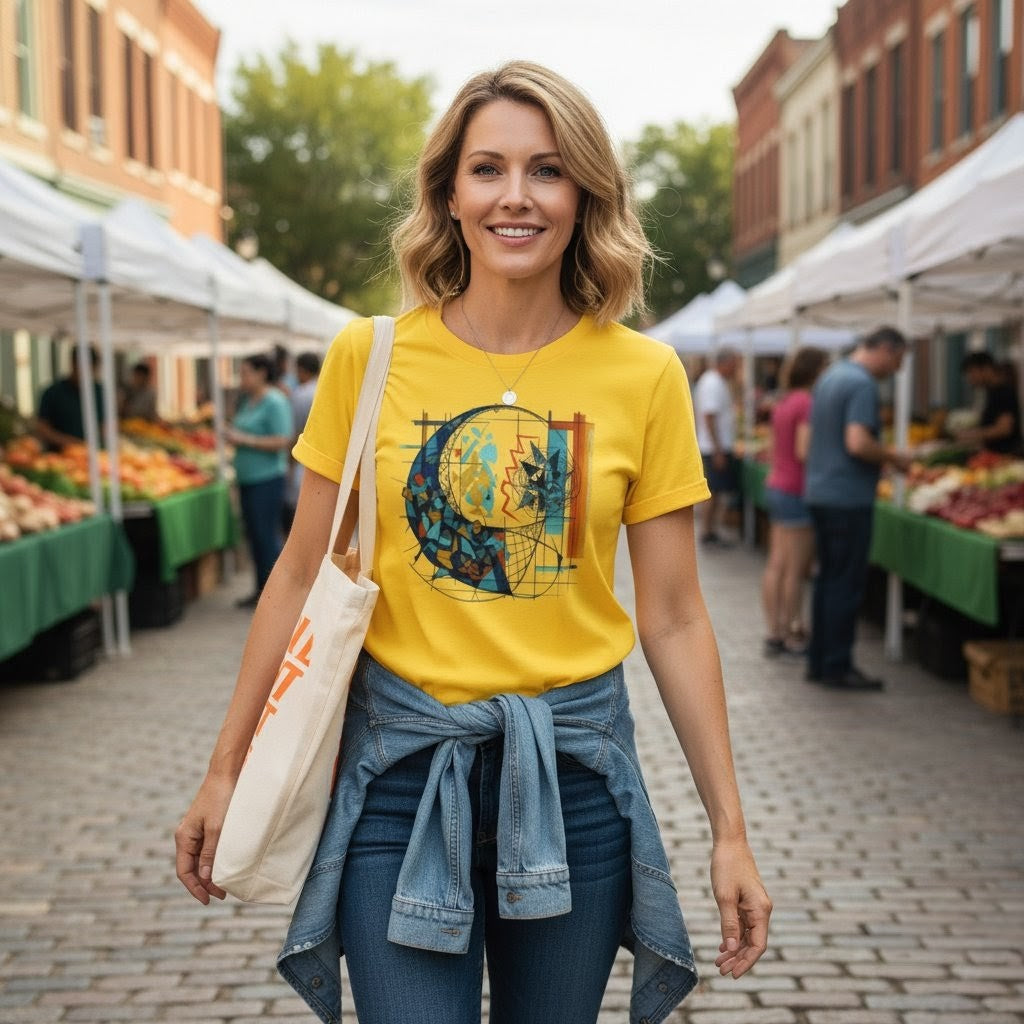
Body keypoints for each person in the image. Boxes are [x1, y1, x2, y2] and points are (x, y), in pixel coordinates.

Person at [175, 61, 770, 1024]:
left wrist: (729, 830)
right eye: (488, 168)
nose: (517, 197)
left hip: (575, 782)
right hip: (399, 772)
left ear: (585, 195)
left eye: (547, 170)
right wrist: (223, 770)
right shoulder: (368, 359)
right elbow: (296, 574)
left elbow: (673, 614)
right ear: (449, 194)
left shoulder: (645, 377)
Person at [804, 326, 911, 690]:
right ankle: (837, 665)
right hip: (847, 498)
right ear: (884, 349)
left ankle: (819, 660)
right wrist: (893, 457)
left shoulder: (832, 375)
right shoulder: (862, 384)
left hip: (821, 492)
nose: (897, 368)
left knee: (826, 580)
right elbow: (857, 442)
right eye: (898, 359)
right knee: (845, 584)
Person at [761, 346, 828, 657]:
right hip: (796, 489)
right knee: (795, 569)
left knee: (776, 563)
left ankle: (774, 630)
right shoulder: (807, 403)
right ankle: (790, 633)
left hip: (777, 484)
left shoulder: (784, 402)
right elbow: (804, 450)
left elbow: (776, 447)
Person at [225, 353, 293, 608]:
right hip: (248, 479)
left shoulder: (274, 401)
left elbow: (283, 439)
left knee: (266, 536)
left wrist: (244, 440)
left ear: (262, 372)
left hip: (267, 479)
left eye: (245, 372)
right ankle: (260, 590)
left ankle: (276, 596)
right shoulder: (247, 401)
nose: (241, 378)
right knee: (254, 536)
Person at [693, 347, 741, 545]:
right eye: (735, 364)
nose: (737, 368)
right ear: (726, 362)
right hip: (714, 448)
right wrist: (718, 449)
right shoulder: (713, 382)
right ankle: (707, 530)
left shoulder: (715, 381)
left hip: (715, 446)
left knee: (716, 491)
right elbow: (709, 416)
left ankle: (710, 530)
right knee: (713, 491)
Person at [35, 346, 105, 451]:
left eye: (90, 369)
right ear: (73, 363)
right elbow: (42, 428)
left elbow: (106, 425)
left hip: (93, 454)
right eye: (81, 367)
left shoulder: (100, 392)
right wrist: (70, 442)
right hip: (58, 455)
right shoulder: (52, 392)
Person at [282, 351, 321, 533]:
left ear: (301, 370)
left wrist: (289, 462)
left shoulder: (300, 395)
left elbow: (294, 431)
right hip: (325, 459)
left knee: (301, 516)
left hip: (305, 461)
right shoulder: (324, 389)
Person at [956, 351, 1022, 455]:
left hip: (1005, 454)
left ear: (986, 368)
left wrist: (971, 434)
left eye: (971, 372)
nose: (970, 379)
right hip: (993, 454)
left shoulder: (1003, 392)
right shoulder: (991, 391)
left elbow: (1004, 429)